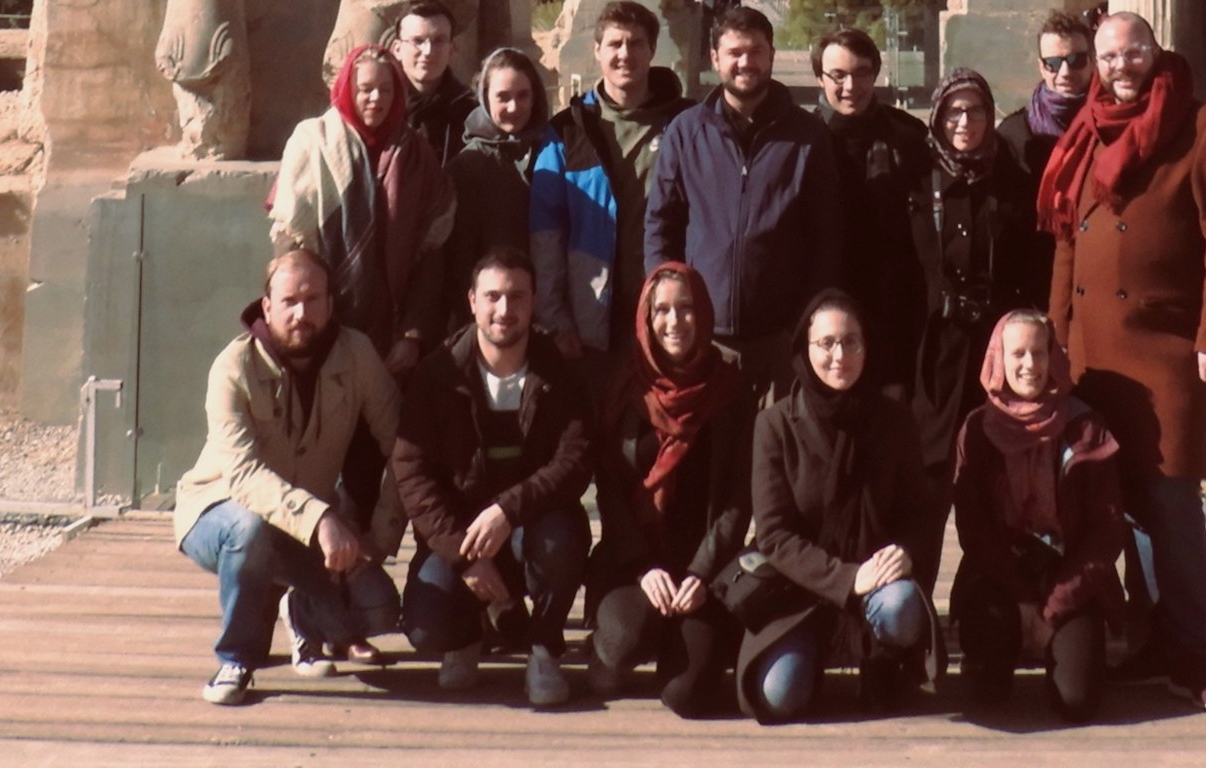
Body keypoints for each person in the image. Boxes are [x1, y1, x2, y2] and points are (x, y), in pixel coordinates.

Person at [1043, 11, 1206, 711]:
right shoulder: (1088, 130)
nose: (1120, 67)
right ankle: (1151, 637)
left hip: (1167, 350)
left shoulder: (1204, 129)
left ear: (1155, 52)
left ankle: (1192, 651)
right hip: (1094, 352)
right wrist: (1056, 338)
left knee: (1172, 500)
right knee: (1125, 500)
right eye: (1108, 57)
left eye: (1132, 53)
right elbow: (1068, 242)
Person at [174, 249, 401, 706]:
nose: (302, 313)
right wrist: (322, 519)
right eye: (289, 301)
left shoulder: (357, 354)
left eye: (313, 300)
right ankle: (236, 659)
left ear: (330, 304)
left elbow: (403, 444)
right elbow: (243, 476)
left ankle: (300, 613)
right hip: (217, 512)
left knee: (377, 607)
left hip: (302, 529)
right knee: (250, 531)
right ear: (267, 306)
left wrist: (378, 538)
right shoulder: (234, 367)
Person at [390, 248, 592, 707]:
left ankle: (544, 648)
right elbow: (412, 474)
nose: (505, 309)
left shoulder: (559, 371)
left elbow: (575, 460)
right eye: (493, 296)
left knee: (560, 541)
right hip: (461, 536)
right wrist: (462, 556)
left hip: (532, 529)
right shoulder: (436, 374)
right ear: (472, 301)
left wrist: (507, 510)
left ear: (534, 301)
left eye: (517, 296)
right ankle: (466, 638)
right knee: (425, 627)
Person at [737, 290, 942, 724]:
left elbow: (922, 511)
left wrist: (906, 551)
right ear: (805, 348)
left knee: (901, 607)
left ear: (867, 346)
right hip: (800, 588)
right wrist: (847, 579)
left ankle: (883, 658)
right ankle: (813, 650)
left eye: (851, 342)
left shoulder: (895, 420)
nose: (840, 356)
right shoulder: (775, 424)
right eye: (826, 343)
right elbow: (773, 535)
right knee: (780, 695)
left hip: (878, 583)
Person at [645, 6, 843, 397]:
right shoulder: (686, 132)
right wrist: (668, 311)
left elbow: (826, 236)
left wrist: (806, 320)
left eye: (756, 51)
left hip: (780, 341)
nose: (745, 62)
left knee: (775, 438)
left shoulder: (807, 135)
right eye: (734, 52)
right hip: (702, 340)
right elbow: (661, 225)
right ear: (715, 58)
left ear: (771, 55)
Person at [584, 263, 753, 717]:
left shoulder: (731, 390)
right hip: (639, 564)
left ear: (704, 313)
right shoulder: (625, 387)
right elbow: (610, 489)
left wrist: (701, 573)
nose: (674, 321)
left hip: (704, 570)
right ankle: (628, 634)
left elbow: (738, 500)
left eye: (686, 308)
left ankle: (691, 640)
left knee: (685, 696)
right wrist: (643, 567)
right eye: (661, 310)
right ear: (646, 316)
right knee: (620, 647)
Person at [951, 310, 1126, 722]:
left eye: (1039, 352)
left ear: (1053, 357)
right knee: (989, 690)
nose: (1029, 364)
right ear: (999, 359)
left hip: (1070, 573)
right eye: (1018, 354)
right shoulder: (977, 430)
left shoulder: (1086, 427)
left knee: (1076, 702)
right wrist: (1022, 598)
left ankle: (1061, 642)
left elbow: (1107, 532)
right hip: (1001, 573)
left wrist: (1052, 607)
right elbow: (973, 531)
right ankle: (998, 649)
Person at [905, 67, 1038, 588]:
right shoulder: (916, 180)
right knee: (926, 495)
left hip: (994, 358)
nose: (965, 122)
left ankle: (992, 609)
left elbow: (1030, 268)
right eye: (954, 112)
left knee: (994, 492)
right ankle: (914, 613)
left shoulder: (1012, 182)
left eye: (976, 110)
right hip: (932, 362)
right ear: (938, 117)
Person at [531, 1, 693, 392]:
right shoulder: (568, 131)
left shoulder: (685, 123)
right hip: (589, 318)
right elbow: (546, 235)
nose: (625, 54)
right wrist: (555, 318)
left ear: (652, 50)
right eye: (615, 44)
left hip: (665, 314)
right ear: (597, 50)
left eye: (636, 43)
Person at [270, 43, 455, 383]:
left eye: (386, 89)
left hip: (392, 333)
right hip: (320, 326)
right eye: (366, 88)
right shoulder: (313, 143)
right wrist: (305, 321)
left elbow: (431, 255)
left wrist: (413, 335)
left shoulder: (416, 154)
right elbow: (290, 244)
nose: (376, 98)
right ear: (347, 88)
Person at [812, 27, 930, 400]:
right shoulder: (803, 142)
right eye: (838, 75)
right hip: (824, 307)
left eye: (862, 73)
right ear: (820, 79)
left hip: (893, 312)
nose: (851, 86)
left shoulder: (908, 139)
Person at [444, 47, 550, 332]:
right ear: (485, 98)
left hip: (549, 316)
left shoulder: (555, 153)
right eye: (503, 97)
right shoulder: (468, 166)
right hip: (495, 318)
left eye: (523, 96)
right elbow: (459, 260)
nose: (514, 107)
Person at [997, 11, 1096, 304]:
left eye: (1076, 60)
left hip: (1096, 275)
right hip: (1036, 280)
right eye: (1053, 63)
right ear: (1041, 67)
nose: (1065, 72)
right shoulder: (1013, 135)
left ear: (1092, 61)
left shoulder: (1112, 125)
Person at [389, 0, 477, 165]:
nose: (428, 51)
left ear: (452, 49)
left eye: (439, 41)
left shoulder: (470, 112)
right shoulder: (379, 104)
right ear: (397, 49)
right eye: (418, 41)